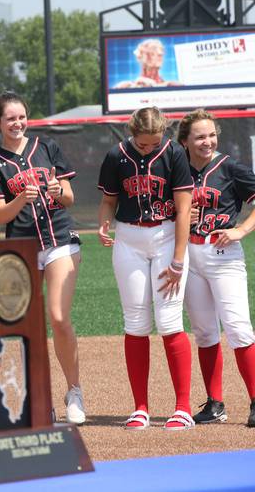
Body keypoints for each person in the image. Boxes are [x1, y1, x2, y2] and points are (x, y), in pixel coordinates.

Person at [0, 91, 86, 425]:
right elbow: (0, 215)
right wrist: (19, 200)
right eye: (10, 118)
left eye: (22, 116)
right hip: (23, 246)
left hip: (59, 240)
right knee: (27, 326)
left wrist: (58, 191)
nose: (18, 123)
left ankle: (74, 391)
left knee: (57, 316)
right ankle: (40, 400)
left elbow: (69, 196)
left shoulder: (46, 147)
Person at [97, 106, 195, 430]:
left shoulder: (175, 153)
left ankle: (183, 408)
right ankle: (140, 407)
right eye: (143, 144)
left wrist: (179, 260)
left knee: (169, 320)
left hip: (167, 236)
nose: (149, 148)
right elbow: (109, 200)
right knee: (136, 322)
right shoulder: (116, 155)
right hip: (129, 238)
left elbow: (183, 211)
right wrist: (103, 224)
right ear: (131, 132)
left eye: (154, 142)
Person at [176, 109, 255, 428]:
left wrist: (241, 230)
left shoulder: (230, 167)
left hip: (223, 254)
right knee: (205, 332)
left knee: (238, 327)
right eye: (200, 136)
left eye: (211, 135)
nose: (207, 141)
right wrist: (179, 217)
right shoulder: (177, 170)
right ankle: (215, 404)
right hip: (191, 256)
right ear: (185, 141)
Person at [114, 38, 181, 89]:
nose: (160, 54)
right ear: (142, 57)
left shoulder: (171, 85)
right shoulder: (125, 86)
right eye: (152, 53)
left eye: (161, 52)